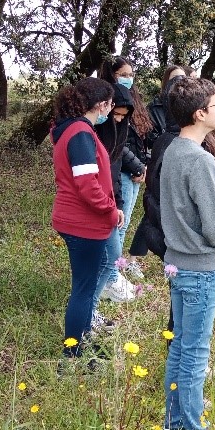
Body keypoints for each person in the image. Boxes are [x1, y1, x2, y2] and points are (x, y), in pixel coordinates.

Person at [160, 77, 215, 430]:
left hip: (176, 264)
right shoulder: (200, 159)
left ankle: (173, 422)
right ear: (199, 114)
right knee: (194, 353)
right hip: (198, 268)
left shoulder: (173, 150)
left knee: (179, 346)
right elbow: (211, 220)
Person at [50, 78, 121, 361]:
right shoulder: (80, 132)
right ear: (101, 104)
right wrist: (110, 210)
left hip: (77, 219)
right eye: (110, 104)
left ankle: (84, 339)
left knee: (87, 283)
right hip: (83, 222)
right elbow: (87, 185)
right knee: (83, 289)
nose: (110, 110)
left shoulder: (73, 128)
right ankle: (73, 354)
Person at [99, 56, 153, 281]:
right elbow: (117, 146)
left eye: (131, 75)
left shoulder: (132, 101)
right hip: (122, 169)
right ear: (112, 75)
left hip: (136, 167)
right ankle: (112, 274)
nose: (128, 79)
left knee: (125, 221)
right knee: (119, 224)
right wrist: (137, 166)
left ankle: (116, 270)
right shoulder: (106, 104)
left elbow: (140, 138)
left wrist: (144, 164)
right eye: (123, 75)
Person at [93, 84, 144, 310]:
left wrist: (119, 203)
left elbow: (115, 168)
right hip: (101, 201)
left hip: (113, 197)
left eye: (124, 116)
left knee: (113, 246)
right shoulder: (95, 134)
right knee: (109, 251)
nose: (119, 120)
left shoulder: (117, 133)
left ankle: (110, 280)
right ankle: (107, 283)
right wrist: (111, 204)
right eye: (116, 114)